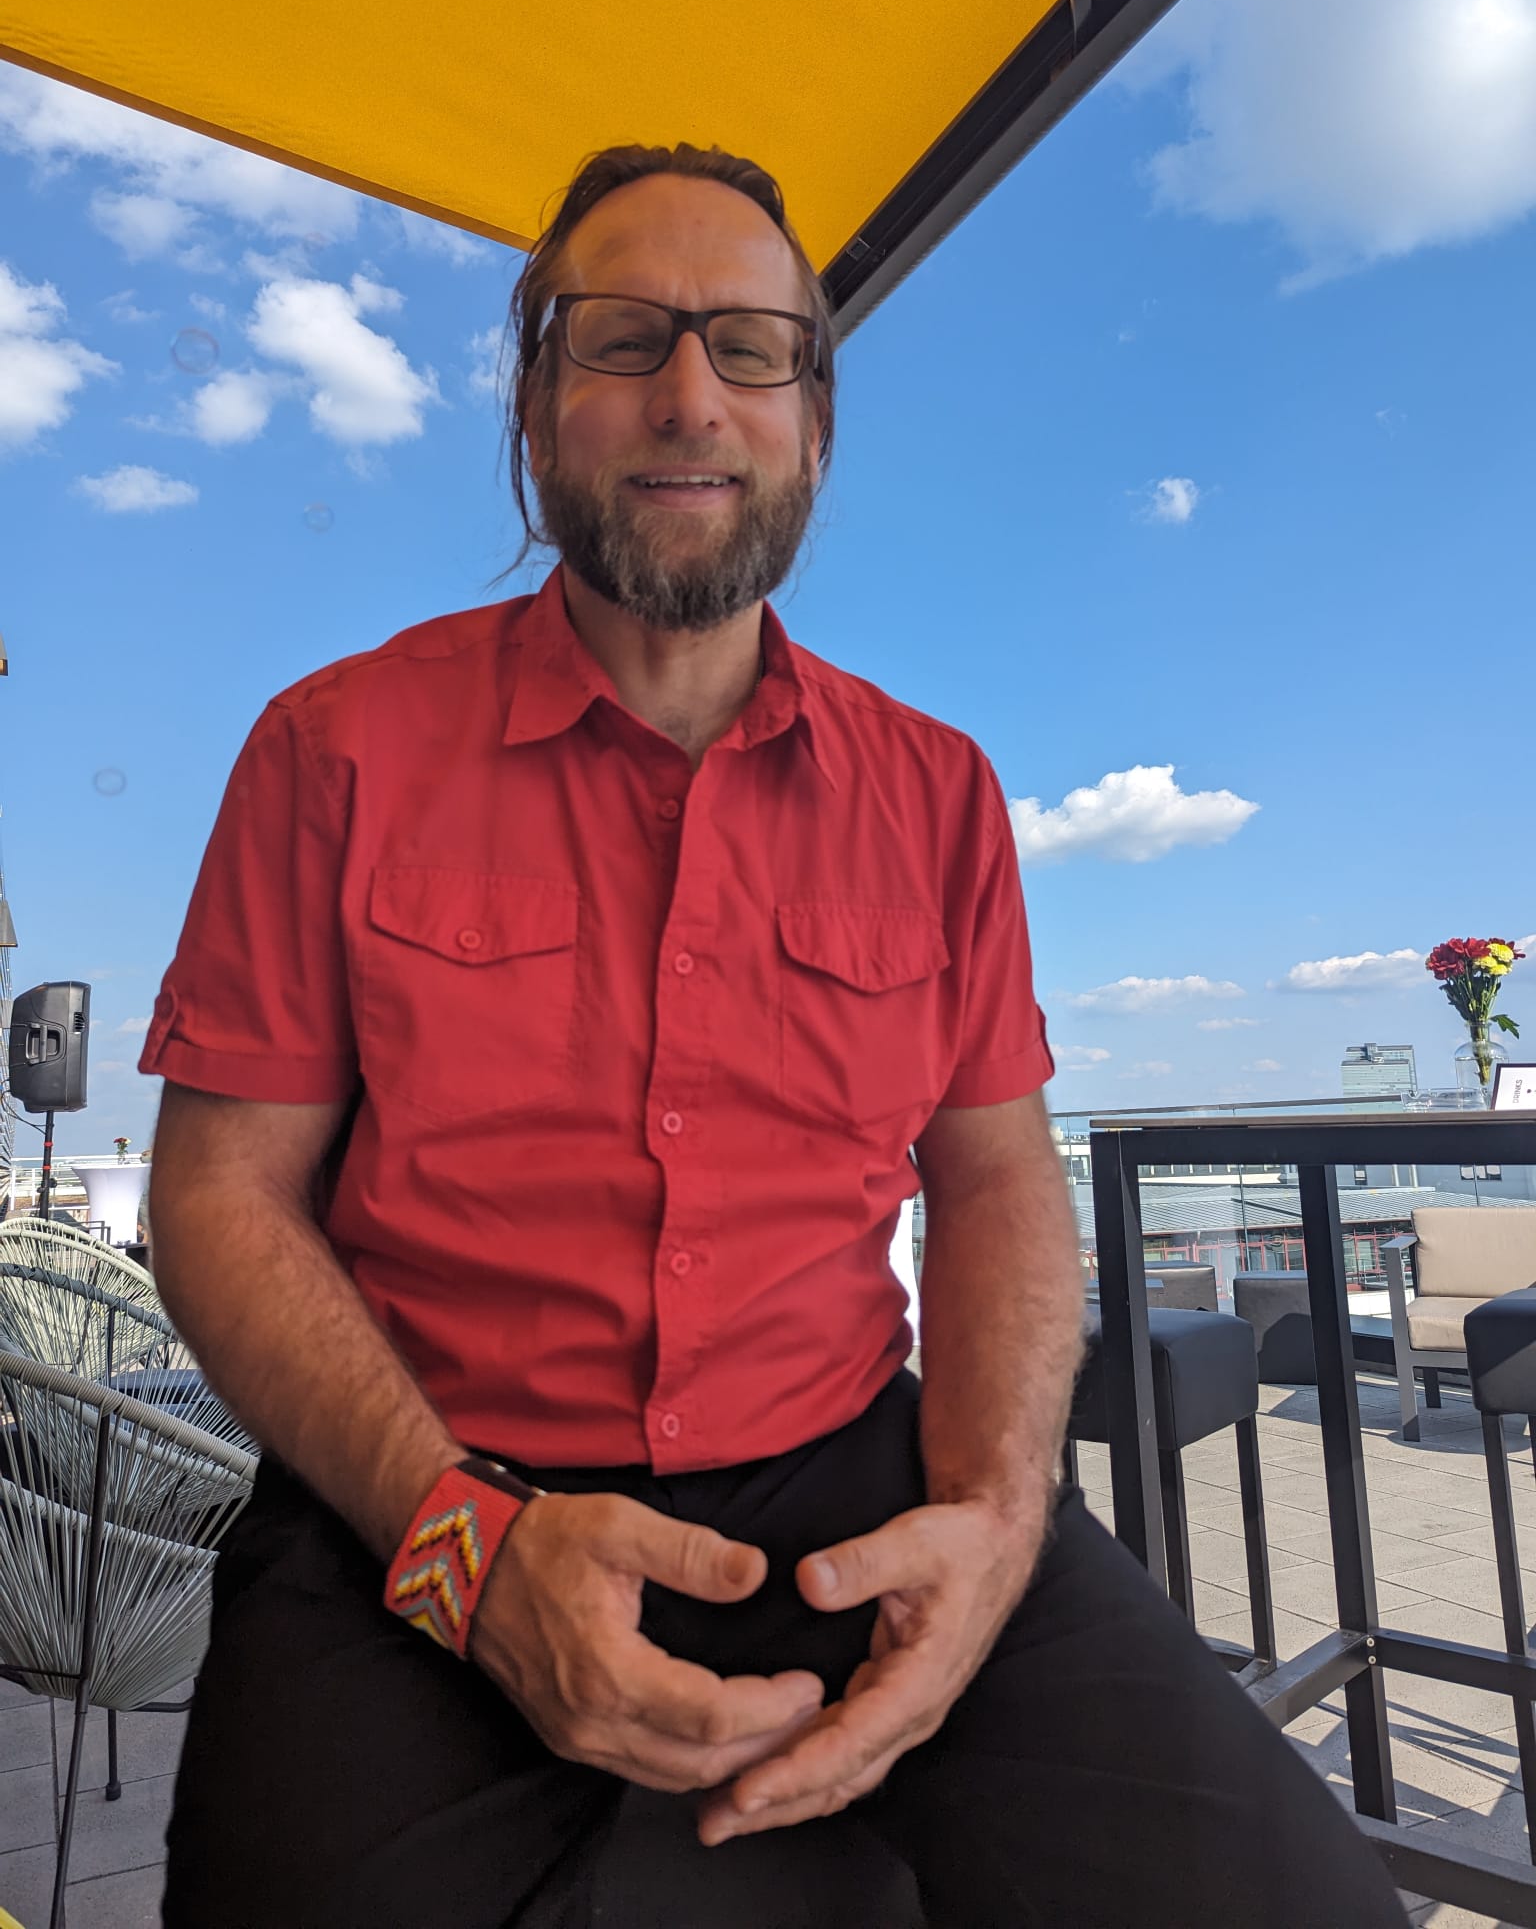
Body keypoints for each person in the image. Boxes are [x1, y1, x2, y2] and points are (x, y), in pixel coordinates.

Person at [142, 143, 1407, 1928]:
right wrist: (464, 1556)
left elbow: (996, 1182)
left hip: (849, 1475)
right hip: (418, 1497)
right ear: (533, 405)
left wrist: (997, 1526)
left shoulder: (937, 793)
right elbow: (217, 1196)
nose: (690, 397)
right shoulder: (333, 749)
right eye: (623, 339)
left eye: (751, 349)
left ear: (814, 423)